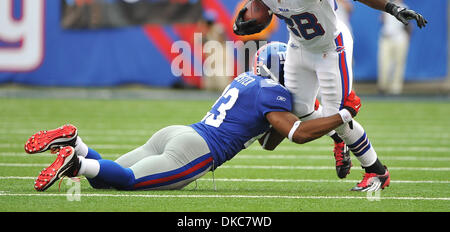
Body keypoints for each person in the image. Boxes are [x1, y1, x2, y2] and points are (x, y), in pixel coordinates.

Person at [233, 0, 427, 191]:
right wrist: (244, 21)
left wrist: (392, 8)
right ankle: (338, 138)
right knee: (301, 110)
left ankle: (377, 171)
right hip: (298, 46)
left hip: (330, 48)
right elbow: (258, 4)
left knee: (340, 115)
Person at [25, 42, 362, 192]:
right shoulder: (272, 94)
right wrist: (342, 114)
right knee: (125, 180)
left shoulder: (247, 82)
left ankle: (76, 145)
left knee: (104, 180)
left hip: (176, 134)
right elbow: (299, 133)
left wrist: (309, 121)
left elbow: (269, 142)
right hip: (195, 151)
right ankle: (75, 163)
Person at [377, 0, 412, 95]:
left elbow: (409, 25)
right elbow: (382, 20)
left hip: (399, 38)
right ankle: (383, 86)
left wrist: (408, 37)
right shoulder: (387, 6)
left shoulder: (405, 7)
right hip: (386, 37)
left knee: (399, 63)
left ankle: (396, 89)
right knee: (384, 63)